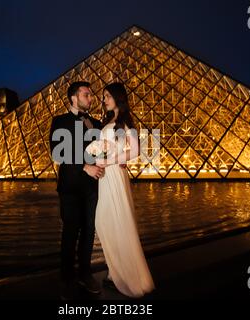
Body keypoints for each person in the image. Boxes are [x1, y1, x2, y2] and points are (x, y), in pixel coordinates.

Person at [94, 82, 155, 298]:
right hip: (105, 176)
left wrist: (109, 160)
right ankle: (115, 272)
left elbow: (136, 151)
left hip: (113, 175)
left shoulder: (125, 122)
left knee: (112, 220)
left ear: (118, 97)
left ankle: (121, 275)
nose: (104, 100)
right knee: (107, 221)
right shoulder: (107, 121)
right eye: (103, 96)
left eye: (107, 96)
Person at [49, 81, 104, 299]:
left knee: (89, 231)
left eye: (90, 95)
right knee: (70, 231)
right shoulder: (60, 121)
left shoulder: (96, 123)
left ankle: (84, 273)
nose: (91, 98)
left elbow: (102, 151)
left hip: (91, 186)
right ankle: (66, 277)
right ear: (74, 97)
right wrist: (85, 166)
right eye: (86, 94)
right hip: (70, 185)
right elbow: (57, 152)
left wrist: (115, 161)